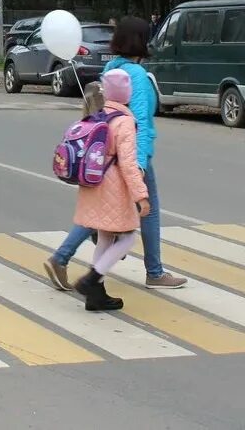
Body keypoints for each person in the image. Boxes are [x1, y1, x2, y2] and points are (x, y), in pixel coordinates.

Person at [44, 16, 188, 289]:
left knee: (101, 211)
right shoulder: (138, 78)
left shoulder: (111, 68)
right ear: (142, 41)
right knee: (149, 210)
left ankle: (62, 257)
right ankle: (154, 272)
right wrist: (141, 162)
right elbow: (142, 124)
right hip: (128, 152)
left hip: (104, 154)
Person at [69, 69, 150, 311]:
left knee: (105, 236)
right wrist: (141, 196)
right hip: (114, 185)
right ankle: (91, 279)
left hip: (94, 182)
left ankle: (96, 295)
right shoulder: (125, 120)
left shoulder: (99, 114)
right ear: (127, 93)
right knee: (127, 237)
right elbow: (128, 163)